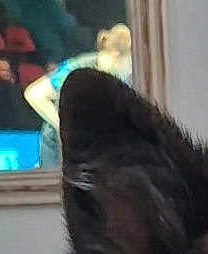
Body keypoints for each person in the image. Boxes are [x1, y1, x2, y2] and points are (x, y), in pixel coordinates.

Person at [23, 23, 132, 168]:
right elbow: (34, 94)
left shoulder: (122, 78)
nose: (131, 70)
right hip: (59, 151)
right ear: (115, 54)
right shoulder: (77, 69)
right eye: (130, 62)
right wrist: (65, 127)